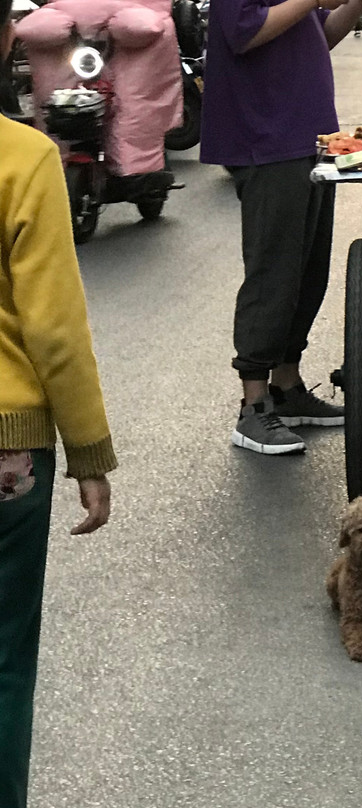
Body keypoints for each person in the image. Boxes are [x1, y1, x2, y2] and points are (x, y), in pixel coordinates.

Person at [0, 0, 118, 803]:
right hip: (7, 453)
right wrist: (89, 451)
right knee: (4, 660)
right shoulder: (24, 157)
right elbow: (54, 328)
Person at [201, 0, 362, 455]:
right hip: (267, 136)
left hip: (309, 136)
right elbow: (245, 32)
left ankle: (287, 387)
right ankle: (253, 406)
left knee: (307, 270)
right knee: (274, 272)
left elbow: (322, 35)